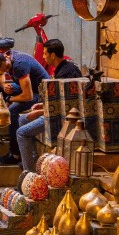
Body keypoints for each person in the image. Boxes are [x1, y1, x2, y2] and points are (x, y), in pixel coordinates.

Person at [16, 39, 82, 171]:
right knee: (22, 119)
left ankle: (29, 173)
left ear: (53, 55)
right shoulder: (62, 69)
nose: (43, 56)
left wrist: (40, 112)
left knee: (21, 133)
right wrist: (41, 106)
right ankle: (32, 159)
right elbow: (57, 100)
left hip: (63, 119)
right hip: (54, 112)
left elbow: (64, 106)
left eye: (45, 53)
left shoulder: (67, 73)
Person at [0, 50, 49, 165]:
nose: (6, 71)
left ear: (6, 59)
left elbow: (28, 96)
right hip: (27, 87)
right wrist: (4, 85)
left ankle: (15, 154)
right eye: (3, 70)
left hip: (40, 94)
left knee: (11, 110)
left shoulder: (19, 65)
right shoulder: (7, 56)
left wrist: (9, 100)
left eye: (7, 68)